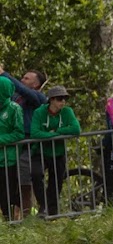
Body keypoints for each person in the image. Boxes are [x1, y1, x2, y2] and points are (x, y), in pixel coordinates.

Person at [29, 85, 79, 217]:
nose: (63, 101)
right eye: (59, 98)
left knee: (56, 182)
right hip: (40, 151)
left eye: (64, 98)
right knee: (36, 174)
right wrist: (51, 136)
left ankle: (52, 213)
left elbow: (76, 129)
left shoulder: (67, 111)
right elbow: (35, 133)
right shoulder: (39, 112)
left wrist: (57, 132)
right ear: (51, 100)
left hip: (58, 153)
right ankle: (43, 206)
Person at [4, 68, 46, 219]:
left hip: (27, 144)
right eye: (22, 77)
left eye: (27, 79)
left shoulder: (38, 97)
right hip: (12, 143)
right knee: (10, 182)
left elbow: (22, 89)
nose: (22, 80)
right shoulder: (15, 97)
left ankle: (26, 218)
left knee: (25, 182)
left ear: (36, 85)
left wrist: (4, 74)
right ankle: (12, 218)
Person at [0, 75, 23, 221]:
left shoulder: (14, 108)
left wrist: (1, 140)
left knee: (8, 193)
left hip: (8, 159)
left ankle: (11, 222)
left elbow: (19, 133)